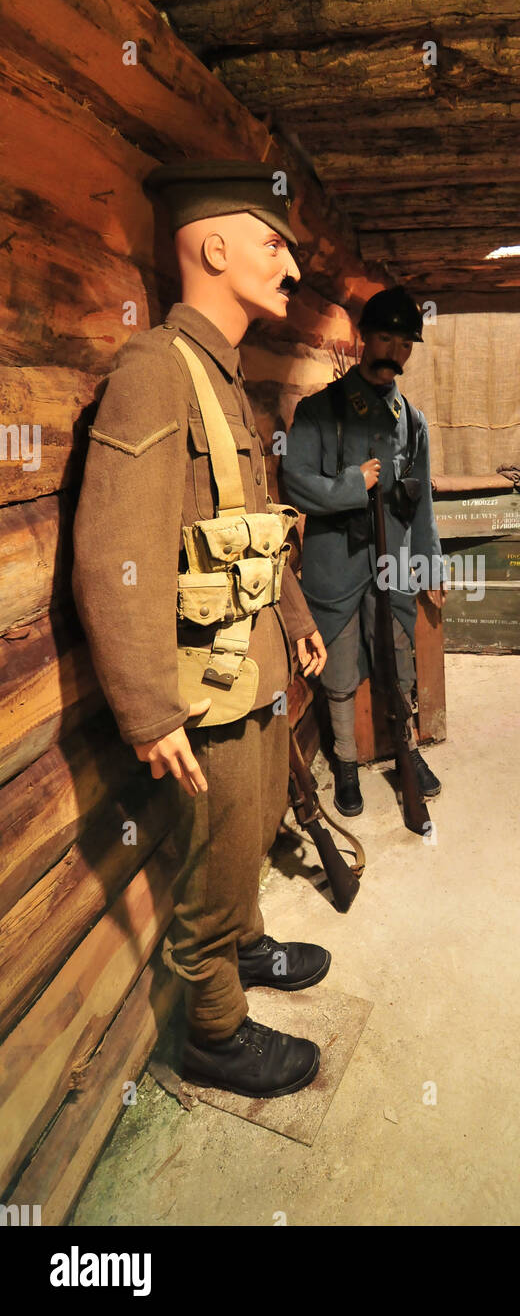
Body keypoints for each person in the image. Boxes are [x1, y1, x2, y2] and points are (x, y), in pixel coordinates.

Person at [72, 161, 331, 1098]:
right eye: (274, 245)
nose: (290, 270)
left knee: (254, 827)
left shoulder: (226, 379)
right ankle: (214, 1033)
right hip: (198, 687)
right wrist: (147, 711)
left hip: (251, 663)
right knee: (216, 858)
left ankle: (250, 945)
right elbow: (111, 556)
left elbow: (253, 522)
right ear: (212, 247)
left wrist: (294, 618)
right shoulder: (152, 373)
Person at [280, 287, 444, 817]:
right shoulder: (319, 411)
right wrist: (352, 484)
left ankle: (407, 752)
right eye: (384, 337)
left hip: (393, 564)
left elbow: (421, 503)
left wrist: (431, 562)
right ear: (362, 339)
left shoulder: (411, 420)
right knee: (342, 669)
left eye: (404, 341)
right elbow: (296, 483)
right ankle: (346, 763)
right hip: (337, 564)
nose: (393, 350)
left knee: (399, 661)